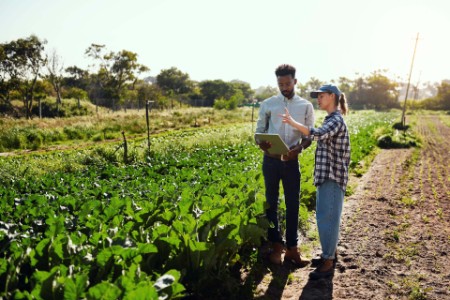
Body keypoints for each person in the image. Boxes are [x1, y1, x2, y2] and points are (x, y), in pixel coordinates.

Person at [280, 83, 350, 279]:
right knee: (325, 217)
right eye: (316, 96)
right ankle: (329, 254)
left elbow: (317, 134)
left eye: (321, 96)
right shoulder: (332, 119)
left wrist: (293, 123)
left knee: (328, 218)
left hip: (332, 177)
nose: (318, 99)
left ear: (332, 97)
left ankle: (328, 261)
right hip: (326, 177)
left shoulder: (336, 120)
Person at [255, 64, 315, 266]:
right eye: (280, 84)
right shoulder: (268, 104)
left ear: (295, 82)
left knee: (292, 205)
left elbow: (309, 135)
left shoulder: (305, 106)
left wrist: (298, 149)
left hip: (291, 161)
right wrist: (261, 143)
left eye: (288, 83)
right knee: (271, 204)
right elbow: (258, 132)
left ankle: (292, 249)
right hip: (270, 161)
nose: (284, 87)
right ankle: (276, 247)